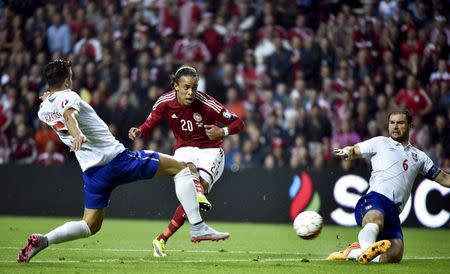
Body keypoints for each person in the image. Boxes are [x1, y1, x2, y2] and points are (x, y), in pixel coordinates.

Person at [18, 60, 229, 263]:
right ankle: (197, 226)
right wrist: (77, 134)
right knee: (184, 168)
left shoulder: (43, 109)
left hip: (92, 173)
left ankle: (43, 240)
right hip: (117, 160)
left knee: (90, 225)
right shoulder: (69, 96)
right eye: (70, 78)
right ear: (66, 81)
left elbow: (56, 108)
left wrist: (49, 100)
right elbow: (69, 114)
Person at [129, 65, 244, 257]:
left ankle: (162, 239)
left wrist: (222, 131)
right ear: (175, 86)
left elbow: (238, 122)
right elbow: (150, 123)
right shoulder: (164, 102)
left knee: (193, 197)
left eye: (194, 87)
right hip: (185, 149)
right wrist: (139, 130)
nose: (191, 92)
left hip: (211, 150)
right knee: (186, 167)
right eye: (186, 87)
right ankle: (198, 197)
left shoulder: (207, 103)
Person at [327, 109, 450, 264]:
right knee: (375, 219)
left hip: (393, 212)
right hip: (375, 199)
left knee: (395, 253)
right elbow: (355, 149)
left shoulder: (419, 157)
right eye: (392, 123)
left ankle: (353, 252)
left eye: (400, 123)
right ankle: (366, 251)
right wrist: (347, 151)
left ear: (410, 125)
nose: (395, 126)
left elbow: (444, 178)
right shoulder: (380, 142)